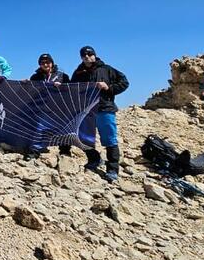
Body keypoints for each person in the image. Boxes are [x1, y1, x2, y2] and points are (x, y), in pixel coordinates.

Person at [70, 46, 129, 182]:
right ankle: (94, 159)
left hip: (105, 109)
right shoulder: (78, 72)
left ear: (94, 55)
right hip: (86, 111)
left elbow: (124, 82)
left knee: (109, 139)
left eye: (90, 54)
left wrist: (109, 87)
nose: (87, 56)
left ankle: (112, 170)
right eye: (84, 55)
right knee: (83, 139)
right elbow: (72, 88)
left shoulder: (107, 69)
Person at [25, 53, 72, 160]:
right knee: (39, 129)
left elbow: (71, 90)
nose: (45, 64)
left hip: (59, 108)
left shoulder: (63, 76)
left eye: (48, 62)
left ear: (52, 63)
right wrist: (25, 84)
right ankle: (35, 151)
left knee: (63, 130)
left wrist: (62, 87)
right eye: (42, 63)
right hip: (42, 108)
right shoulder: (35, 77)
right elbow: (31, 92)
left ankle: (65, 152)